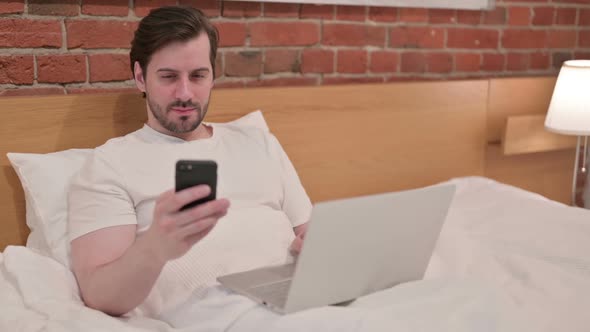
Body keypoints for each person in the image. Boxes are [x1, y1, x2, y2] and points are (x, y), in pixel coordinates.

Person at [68, 5, 310, 318]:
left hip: (304, 302)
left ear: (212, 76)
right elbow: (99, 294)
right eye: (168, 77)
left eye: (198, 76)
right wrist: (155, 246)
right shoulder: (109, 164)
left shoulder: (258, 142)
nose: (185, 93)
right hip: (231, 317)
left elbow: (309, 231)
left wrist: (317, 247)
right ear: (140, 77)